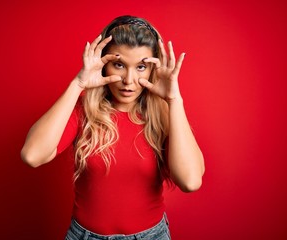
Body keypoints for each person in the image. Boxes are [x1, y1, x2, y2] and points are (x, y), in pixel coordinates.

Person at [21, 15, 205, 240]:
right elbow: (32, 155)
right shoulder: (83, 111)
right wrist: (77, 84)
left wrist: (174, 100)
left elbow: (190, 181)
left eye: (141, 67)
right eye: (119, 64)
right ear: (104, 64)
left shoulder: (164, 115)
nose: (128, 80)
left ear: (152, 69)